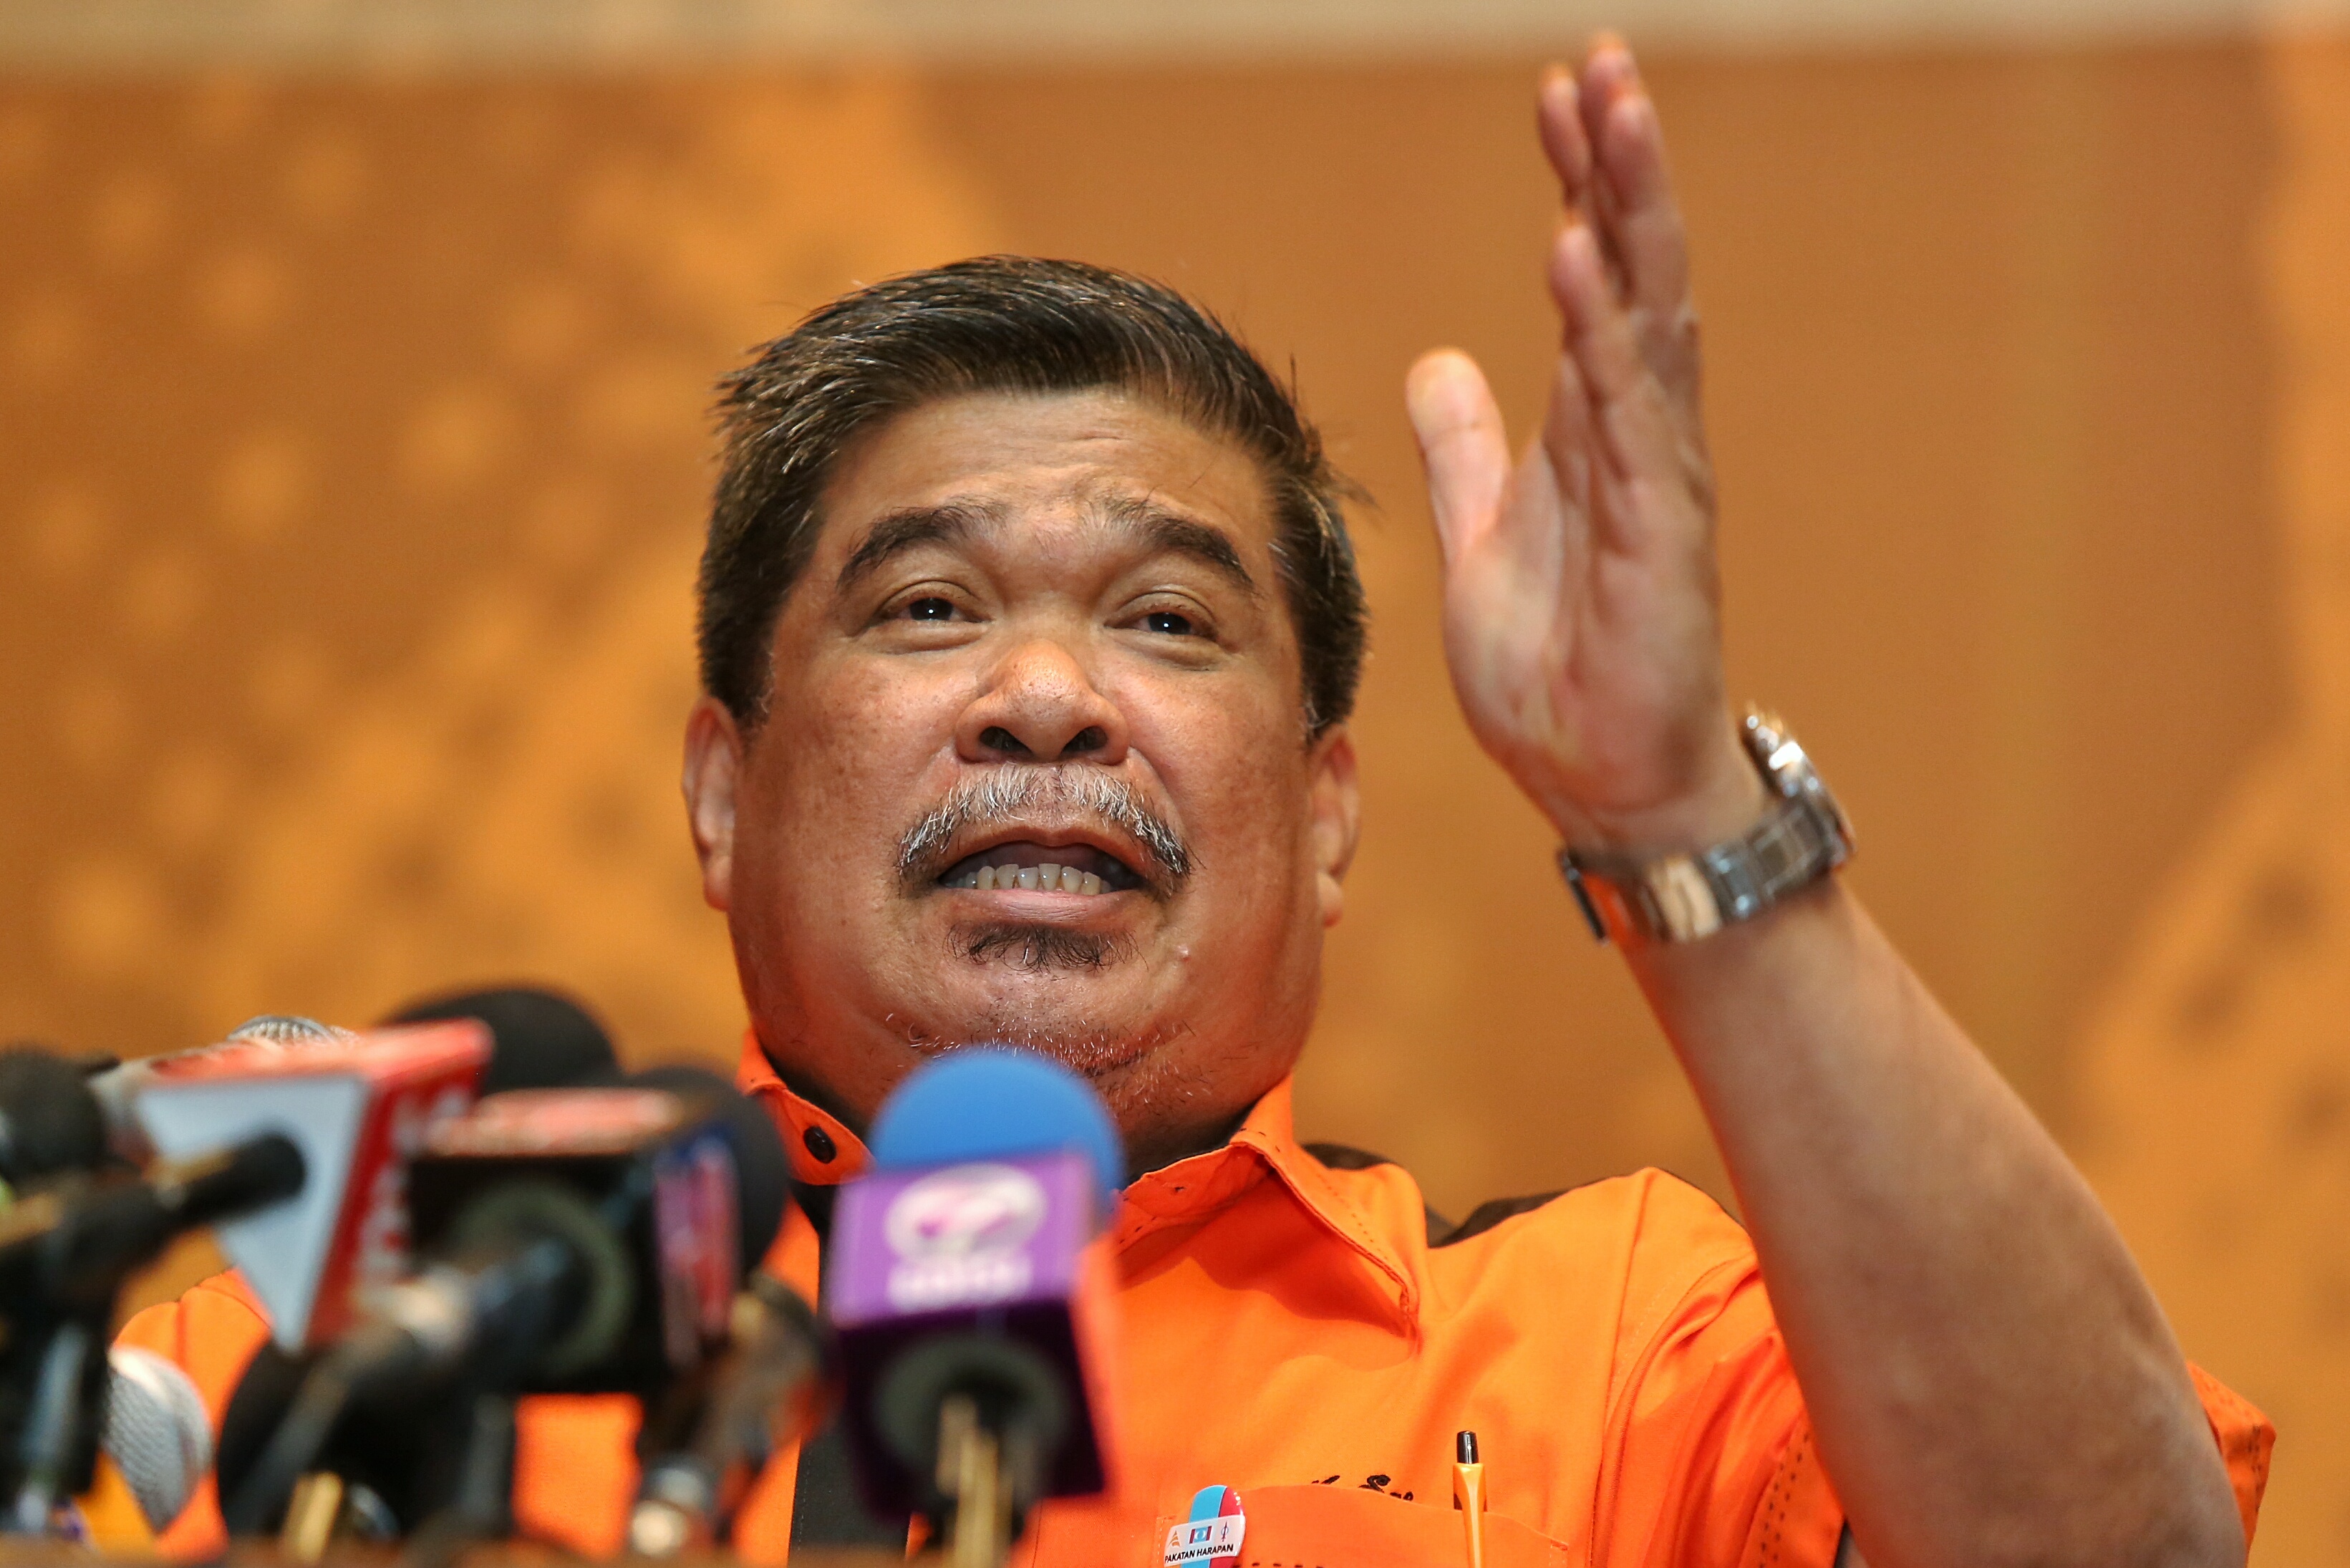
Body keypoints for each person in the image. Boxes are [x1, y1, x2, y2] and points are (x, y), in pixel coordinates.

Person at [125, 37, 2270, 1567]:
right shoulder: (392, 1335)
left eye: (1165, 624)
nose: (1045, 698)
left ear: (1327, 817)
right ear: (720, 790)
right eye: (930, 604)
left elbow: (2122, 1545)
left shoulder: (1604, 1347)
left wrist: (1673, 798)